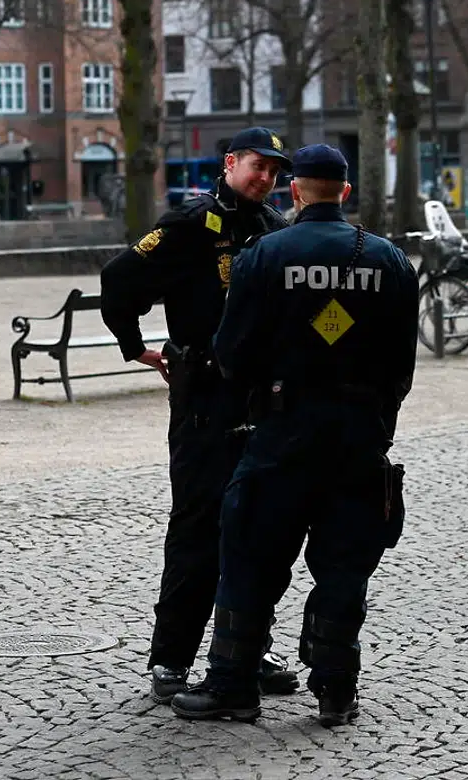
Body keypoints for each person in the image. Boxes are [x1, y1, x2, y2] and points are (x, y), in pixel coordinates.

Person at [170, 143, 418, 727]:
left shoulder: (264, 254)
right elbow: (401, 365)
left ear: (295, 190)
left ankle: (233, 684)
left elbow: (232, 352)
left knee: (250, 558)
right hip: (358, 436)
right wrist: (375, 421)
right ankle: (336, 688)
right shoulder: (388, 260)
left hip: (282, 433)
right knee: (344, 565)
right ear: (345, 192)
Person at [99, 126, 300, 704]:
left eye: (275, 171)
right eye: (258, 166)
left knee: (256, 528)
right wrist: (134, 346)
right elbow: (119, 278)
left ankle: (245, 650)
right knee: (196, 526)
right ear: (230, 163)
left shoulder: (274, 230)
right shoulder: (189, 224)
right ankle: (172, 658)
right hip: (204, 399)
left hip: (259, 398)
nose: (266, 178)